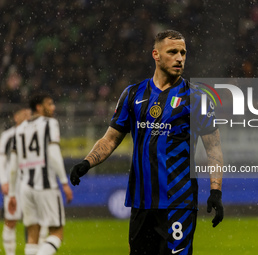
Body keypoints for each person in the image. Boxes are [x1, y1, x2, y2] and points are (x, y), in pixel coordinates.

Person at [70, 30, 224, 255]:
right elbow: (111, 138)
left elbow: (214, 148)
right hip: (141, 203)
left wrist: (216, 191)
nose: (180, 58)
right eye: (172, 52)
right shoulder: (133, 94)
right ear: (156, 55)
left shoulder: (197, 98)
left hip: (178, 202)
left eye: (183, 52)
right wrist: (86, 163)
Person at [8, 93, 73, 255]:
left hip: (25, 187)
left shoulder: (20, 128)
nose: (53, 107)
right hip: (46, 185)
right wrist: (64, 182)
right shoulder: (50, 123)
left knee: (32, 235)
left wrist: (12, 194)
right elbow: (53, 153)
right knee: (57, 233)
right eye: (49, 104)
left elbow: (13, 164)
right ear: (39, 107)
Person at [0, 106, 31, 255]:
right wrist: (3, 181)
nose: (27, 117)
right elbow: (2, 159)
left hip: (31, 183)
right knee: (11, 220)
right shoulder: (7, 136)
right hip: (14, 183)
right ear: (15, 117)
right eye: (23, 114)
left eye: (28, 114)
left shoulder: (33, 134)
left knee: (33, 221)